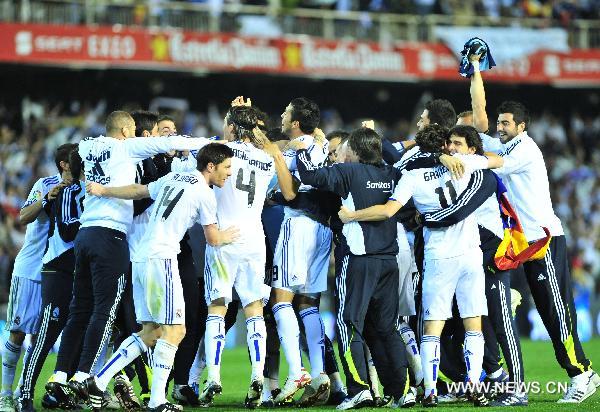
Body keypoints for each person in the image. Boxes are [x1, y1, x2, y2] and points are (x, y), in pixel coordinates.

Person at [45, 111, 215, 405]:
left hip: (85, 233)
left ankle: (59, 375)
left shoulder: (87, 145)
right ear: (125, 130)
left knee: (80, 309)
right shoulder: (126, 147)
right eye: (134, 129)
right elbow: (167, 142)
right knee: (105, 311)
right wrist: (210, 142)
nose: (136, 134)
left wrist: (90, 182)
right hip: (111, 236)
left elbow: (75, 161)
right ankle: (85, 377)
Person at [339, 124, 503, 407]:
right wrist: (448, 158)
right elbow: (499, 160)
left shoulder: (411, 176)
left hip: (439, 258)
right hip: (470, 254)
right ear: (443, 147)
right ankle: (476, 385)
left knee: (431, 327)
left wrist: (352, 215)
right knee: (473, 322)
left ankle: (429, 389)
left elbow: (389, 210)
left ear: (418, 149)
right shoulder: (464, 162)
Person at [82, 143, 239, 412]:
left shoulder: (172, 177)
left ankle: (98, 381)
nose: (229, 173)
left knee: (151, 332)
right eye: (226, 167)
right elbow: (213, 239)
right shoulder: (205, 193)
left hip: (142, 255)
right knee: (176, 330)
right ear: (210, 166)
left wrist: (104, 190)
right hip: (162, 258)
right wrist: (229, 236)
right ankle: (157, 401)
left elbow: (139, 190)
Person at [295, 126, 431, 410]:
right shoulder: (393, 175)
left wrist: (302, 148)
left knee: (348, 324)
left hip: (358, 260)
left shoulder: (349, 172)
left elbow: (309, 176)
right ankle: (402, 392)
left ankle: (358, 389)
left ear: (354, 151)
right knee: (387, 328)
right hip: (389, 262)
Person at [481, 100, 599, 403]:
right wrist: (476, 72)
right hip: (524, 243)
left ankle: (581, 375)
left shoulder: (525, 149)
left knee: (556, 310)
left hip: (543, 240)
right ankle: (583, 371)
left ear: (522, 127)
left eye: (507, 123)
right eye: (500, 122)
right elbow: (480, 120)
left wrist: (462, 159)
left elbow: (491, 161)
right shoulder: (505, 145)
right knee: (549, 311)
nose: (500, 128)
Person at [199, 104, 295, 409]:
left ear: (231, 126)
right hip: (255, 240)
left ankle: (213, 375)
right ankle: (256, 374)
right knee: (254, 309)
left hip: (224, 238)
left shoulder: (219, 152)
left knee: (218, 308)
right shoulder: (267, 158)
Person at [269, 98, 332, 404]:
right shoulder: (321, 143)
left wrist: (277, 165)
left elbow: (291, 191)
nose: (281, 114)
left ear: (295, 122)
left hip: (298, 225)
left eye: (285, 111)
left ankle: (296, 371)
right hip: (322, 227)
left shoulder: (299, 149)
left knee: (281, 298)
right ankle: (320, 374)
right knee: (308, 303)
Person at [0, 145, 68, 412]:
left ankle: (21, 391)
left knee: (42, 337)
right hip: (30, 270)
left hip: (59, 272)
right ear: (65, 164)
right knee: (17, 333)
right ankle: (4, 393)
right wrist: (46, 200)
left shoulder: (85, 188)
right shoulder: (45, 183)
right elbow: (24, 215)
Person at [16, 145, 82, 412]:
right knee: (44, 335)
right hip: (56, 267)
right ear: (66, 164)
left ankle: (60, 393)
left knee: (75, 334)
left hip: (80, 269)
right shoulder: (55, 188)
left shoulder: (86, 187)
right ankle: (23, 394)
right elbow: (66, 231)